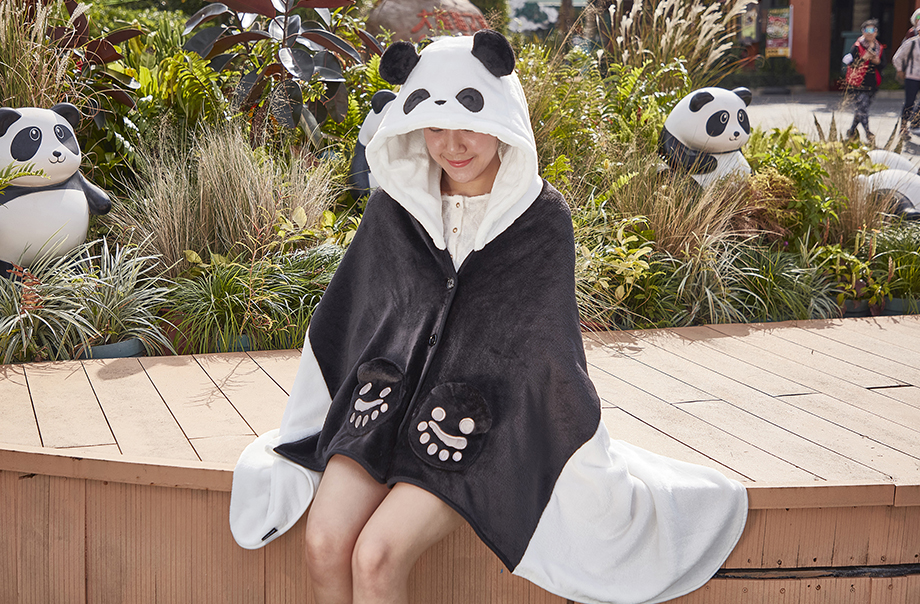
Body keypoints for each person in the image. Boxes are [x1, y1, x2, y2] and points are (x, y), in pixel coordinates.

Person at [228, 30, 748, 604]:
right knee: (325, 542)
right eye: (434, 126)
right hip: (384, 407)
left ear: (501, 117)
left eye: (469, 124)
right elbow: (354, 315)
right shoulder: (392, 207)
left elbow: (544, 350)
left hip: (472, 426)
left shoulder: (541, 220)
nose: (451, 145)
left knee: (377, 556)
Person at [843, 19, 886, 143]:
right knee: (863, 109)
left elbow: (883, 65)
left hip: (872, 83)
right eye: (867, 30)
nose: (870, 33)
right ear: (863, 32)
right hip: (858, 84)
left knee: (861, 110)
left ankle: (851, 131)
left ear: (876, 32)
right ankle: (868, 133)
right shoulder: (857, 46)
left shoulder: (879, 48)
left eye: (872, 30)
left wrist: (877, 61)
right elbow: (851, 65)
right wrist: (864, 58)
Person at [893, 9, 920, 139]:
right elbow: (897, 58)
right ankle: (903, 128)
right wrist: (900, 70)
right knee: (909, 103)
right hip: (912, 76)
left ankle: (915, 124)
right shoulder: (911, 42)